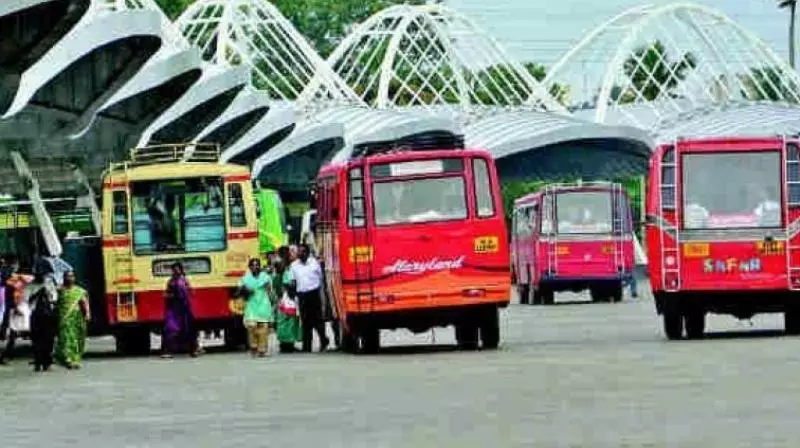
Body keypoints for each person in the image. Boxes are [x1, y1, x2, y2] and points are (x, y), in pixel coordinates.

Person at [290, 244, 329, 353]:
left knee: (317, 321)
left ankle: (323, 340)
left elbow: (321, 278)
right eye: (299, 252)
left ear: (307, 253)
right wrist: (294, 295)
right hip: (302, 295)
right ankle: (307, 346)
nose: (300, 254)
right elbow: (293, 281)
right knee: (306, 322)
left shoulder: (314, 263)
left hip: (314, 294)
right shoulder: (293, 266)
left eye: (303, 252)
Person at [161, 262, 199, 358]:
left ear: (181, 270)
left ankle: (193, 350)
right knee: (171, 329)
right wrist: (169, 296)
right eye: (174, 269)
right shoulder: (171, 282)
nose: (176, 271)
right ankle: (167, 352)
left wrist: (190, 290)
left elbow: (191, 291)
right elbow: (166, 294)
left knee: (189, 329)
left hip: (185, 308)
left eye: (177, 269)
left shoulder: (185, 280)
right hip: (174, 309)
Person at [237, 258, 274, 357]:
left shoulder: (265, 277)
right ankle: (253, 346)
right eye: (252, 265)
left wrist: (272, 301)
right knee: (251, 326)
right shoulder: (245, 278)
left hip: (263, 305)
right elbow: (239, 291)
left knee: (263, 327)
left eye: (257, 265)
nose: (255, 267)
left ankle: (262, 349)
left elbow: (270, 290)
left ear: (260, 266)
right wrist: (245, 290)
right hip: (251, 305)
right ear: (249, 267)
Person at [54, 271, 90, 369]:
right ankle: (68, 359)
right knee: (65, 339)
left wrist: (87, 314)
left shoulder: (79, 291)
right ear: (64, 278)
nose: (69, 278)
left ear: (75, 278)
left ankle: (75, 359)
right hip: (64, 318)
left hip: (76, 318)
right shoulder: (59, 290)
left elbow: (84, 303)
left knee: (76, 339)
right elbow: (54, 302)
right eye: (67, 276)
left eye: (71, 276)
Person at [27, 264, 58, 372]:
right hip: (36, 315)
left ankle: (47, 362)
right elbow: (28, 300)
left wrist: (48, 293)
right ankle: (38, 362)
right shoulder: (30, 285)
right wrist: (38, 293)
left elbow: (54, 299)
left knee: (49, 340)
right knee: (36, 340)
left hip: (48, 314)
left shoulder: (49, 284)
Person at [0, 263, 33, 365]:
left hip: (8, 310)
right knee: (10, 331)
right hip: (7, 310)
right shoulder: (13, 285)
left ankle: (7, 354)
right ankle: (6, 354)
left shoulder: (11, 284)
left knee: (10, 332)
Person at [272, 258, 301, 353]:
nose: (279, 267)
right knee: (285, 324)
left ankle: (288, 344)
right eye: (277, 265)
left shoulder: (285, 275)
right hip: (284, 302)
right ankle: (285, 344)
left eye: (280, 265)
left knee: (288, 324)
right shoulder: (279, 276)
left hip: (285, 302)